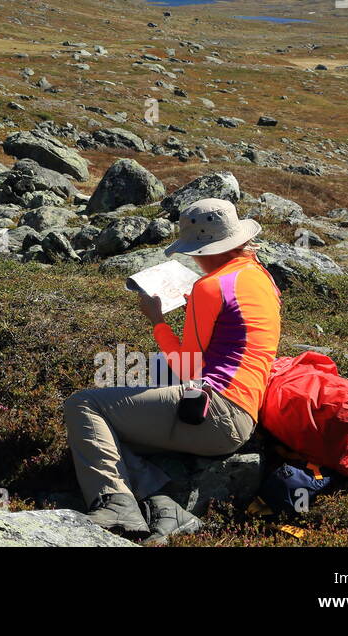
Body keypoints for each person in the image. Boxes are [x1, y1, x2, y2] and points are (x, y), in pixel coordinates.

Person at [63, 198, 281, 540]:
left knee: (85, 404)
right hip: (244, 410)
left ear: (204, 249)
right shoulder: (260, 276)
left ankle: (116, 503)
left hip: (215, 414)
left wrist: (157, 321)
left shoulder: (209, 287)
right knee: (135, 385)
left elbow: (188, 363)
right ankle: (165, 507)